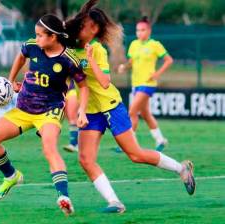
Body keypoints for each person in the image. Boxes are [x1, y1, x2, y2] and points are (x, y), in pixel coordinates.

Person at [66, 0, 195, 213]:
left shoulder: (97, 50)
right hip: (89, 111)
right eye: (83, 23)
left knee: (135, 155)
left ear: (95, 30)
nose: (83, 27)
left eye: (89, 25)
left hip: (111, 106)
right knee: (85, 159)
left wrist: (91, 60)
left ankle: (181, 168)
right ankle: (115, 203)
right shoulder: (69, 49)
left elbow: (105, 82)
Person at [0, 14, 89, 216]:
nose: (36, 39)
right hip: (23, 109)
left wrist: (82, 110)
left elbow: (83, 87)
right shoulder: (32, 46)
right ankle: (11, 176)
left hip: (50, 111)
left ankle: (63, 196)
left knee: (49, 149)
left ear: (53, 37)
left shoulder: (69, 59)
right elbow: (21, 57)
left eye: (40, 35)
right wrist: (11, 80)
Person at [118, 16, 173, 151]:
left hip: (147, 84)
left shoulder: (155, 45)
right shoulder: (134, 45)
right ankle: (161, 140)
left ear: (149, 31)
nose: (139, 33)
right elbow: (131, 62)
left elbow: (169, 60)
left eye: (142, 30)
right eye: (138, 30)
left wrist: (157, 74)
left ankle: (129, 144)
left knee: (132, 111)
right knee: (146, 114)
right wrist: (124, 67)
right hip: (136, 84)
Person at [63, 79, 80, 152]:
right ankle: (76, 144)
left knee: (73, 117)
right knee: (70, 118)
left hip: (74, 90)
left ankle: (73, 144)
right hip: (67, 91)